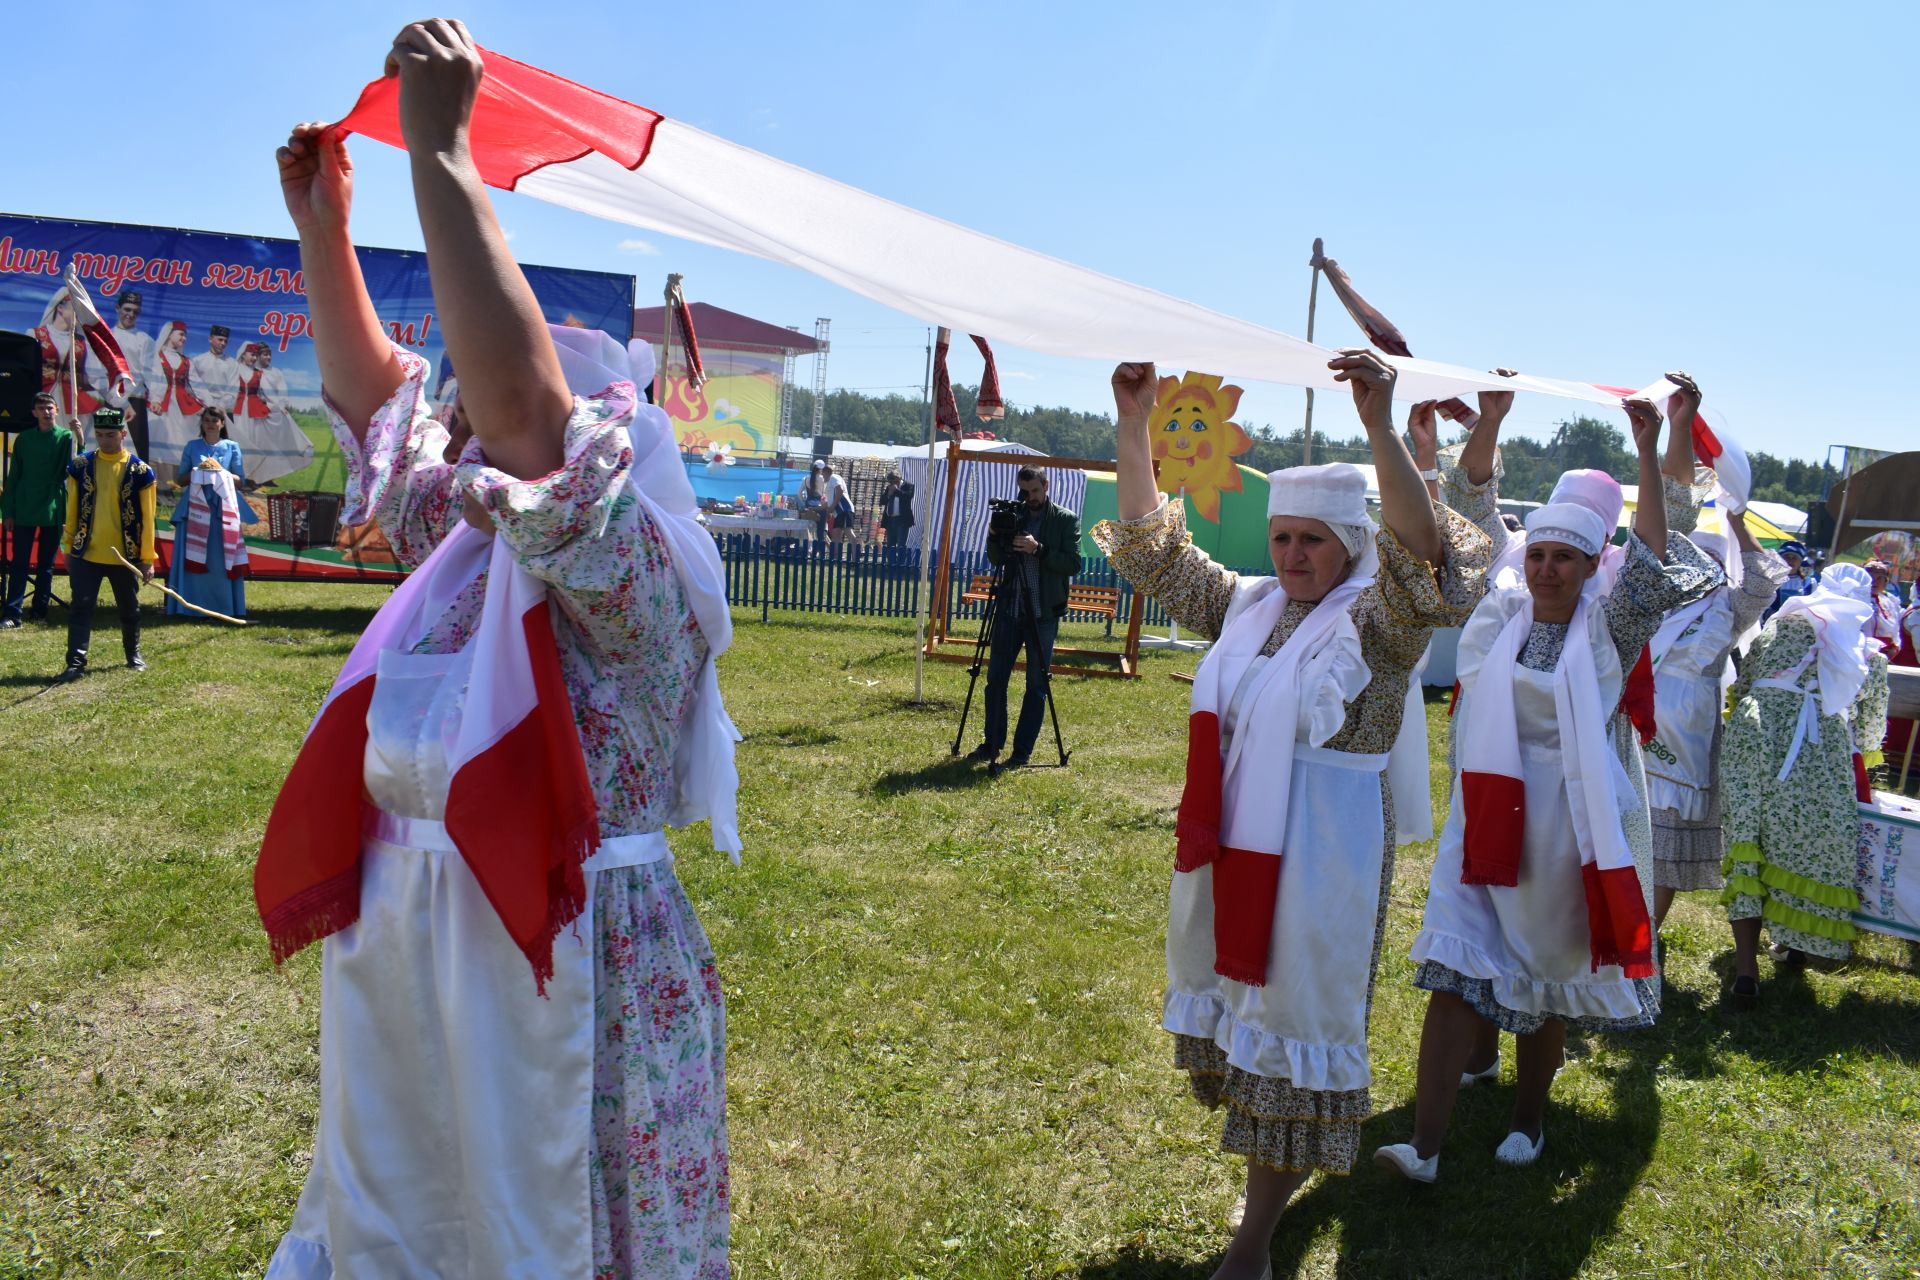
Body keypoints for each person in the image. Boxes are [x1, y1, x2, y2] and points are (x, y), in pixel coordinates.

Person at [257, 22, 738, 1278]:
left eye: (481, 408)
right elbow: (385, 415)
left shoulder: (624, 569)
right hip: (418, 963)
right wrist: (326, 229)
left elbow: (527, 423)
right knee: (413, 1223)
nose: (461, 431)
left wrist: (445, 151)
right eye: (461, 419)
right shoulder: (469, 542)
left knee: (554, 1235)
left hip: (568, 970)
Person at [1094, 353, 1490, 1278]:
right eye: (1283, 539)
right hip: (1240, 843)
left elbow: (1427, 558)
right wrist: (1133, 420)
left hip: (1322, 858)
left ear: (1353, 544)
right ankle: (1264, 1199)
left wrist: (1384, 428)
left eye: (1314, 540)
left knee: (1290, 1031)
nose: (1293, 557)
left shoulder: (1379, 624)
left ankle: (1254, 1243)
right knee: (1247, 1023)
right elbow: (1157, 551)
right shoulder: (1250, 607)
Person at [1377, 397, 1720, 1183]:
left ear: (1595, 565)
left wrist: (1651, 442)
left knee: (1550, 976)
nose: (1545, 569)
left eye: (1564, 558)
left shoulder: (1611, 628)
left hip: (1567, 829)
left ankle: (1528, 1121)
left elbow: (1653, 548)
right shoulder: (1499, 618)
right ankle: (1424, 1148)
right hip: (1487, 816)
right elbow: (1471, 518)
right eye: (1538, 556)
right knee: (1456, 970)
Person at [1643, 407, 1785, 927]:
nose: (1697, 568)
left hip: (1691, 723)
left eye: (1708, 558)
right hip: (1646, 706)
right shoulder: (1655, 596)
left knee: (1669, 833)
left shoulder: (1728, 605)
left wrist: (1738, 523)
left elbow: (1764, 582)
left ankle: (1646, 936)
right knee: (1629, 815)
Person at [1721, 568, 1888, 1000]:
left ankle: (1745, 970)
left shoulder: (1783, 623)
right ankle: (1794, 944)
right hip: (1820, 753)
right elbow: (1869, 734)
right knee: (1806, 844)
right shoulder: (1868, 655)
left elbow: (1744, 680)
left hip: (1756, 734)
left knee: (1750, 840)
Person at [971, 464, 1082, 775]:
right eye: (1025, 491)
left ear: (1045, 486)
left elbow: (1073, 563)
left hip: (1042, 613)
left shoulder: (1064, 519)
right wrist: (994, 535)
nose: (1030, 497)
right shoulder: (1014, 514)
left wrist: (1039, 550)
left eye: (1035, 490)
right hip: (1010, 608)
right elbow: (996, 558)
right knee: (995, 680)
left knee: (1036, 686)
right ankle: (991, 743)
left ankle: (1022, 753)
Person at [56, 407, 157, 680]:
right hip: (87, 553)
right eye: (99, 435)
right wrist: (69, 547)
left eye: (110, 435)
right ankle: (75, 663)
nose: (104, 440)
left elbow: (149, 519)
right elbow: (72, 510)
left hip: (125, 555)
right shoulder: (81, 466)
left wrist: (146, 558)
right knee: (80, 607)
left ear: (123, 433)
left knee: (129, 608)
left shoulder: (141, 471)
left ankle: (132, 654)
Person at [167, 406, 259, 620]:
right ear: (202, 423)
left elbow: (240, 480)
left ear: (222, 424)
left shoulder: (231, 447)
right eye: (207, 420)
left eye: (215, 420)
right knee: (193, 556)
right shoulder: (192, 446)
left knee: (220, 560)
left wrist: (221, 472)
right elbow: (180, 480)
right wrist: (197, 472)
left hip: (222, 510)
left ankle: (224, 606)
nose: (210, 424)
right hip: (195, 509)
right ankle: (188, 607)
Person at [2, 393, 76, 628]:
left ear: (56, 410)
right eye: (41, 408)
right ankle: (13, 613)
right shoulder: (23, 439)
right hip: (24, 506)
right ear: (34, 412)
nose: (46, 412)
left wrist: (80, 436)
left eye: (50, 407)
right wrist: (8, 512)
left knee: (46, 564)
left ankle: (39, 610)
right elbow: (13, 478)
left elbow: (75, 466)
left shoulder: (66, 437)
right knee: (19, 563)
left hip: (52, 507)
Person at [229, 341, 318, 483]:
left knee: (255, 442)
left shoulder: (258, 374)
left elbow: (268, 395)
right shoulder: (235, 369)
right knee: (241, 441)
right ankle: (241, 476)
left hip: (254, 410)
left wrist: (278, 407)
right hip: (239, 410)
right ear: (243, 354)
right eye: (252, 355)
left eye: (255, 355)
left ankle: (254, 477)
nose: (253, 358)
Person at [148, 321, 206, 471]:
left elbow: (197, 384)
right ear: (169, 333)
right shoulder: (156, 356)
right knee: (159, 439)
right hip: (161, 403)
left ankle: (176, 482)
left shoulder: (186, 361)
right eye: (181, 334)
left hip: (181, 404)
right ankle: (159, 482)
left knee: (181, 440)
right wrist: (155, 399)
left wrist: (210, 403)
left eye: (185, 335)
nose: (184, 338)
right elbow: (152, 378)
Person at [103, 290, 154, 457]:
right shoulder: (106, 336)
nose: (130, 314)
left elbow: (147, 374)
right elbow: (98, 373)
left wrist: (125, 400)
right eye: (127, 309)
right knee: (108, 448)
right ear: (118, 308)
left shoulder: (144, 339)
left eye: (135, 311)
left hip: (135, 402)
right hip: (111, 400)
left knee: (137, 453)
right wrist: (117, 399)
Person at [188, 324, 241, 428]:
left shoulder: (232, 363)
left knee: (224, 441)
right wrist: (209, 404)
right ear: (210, 339)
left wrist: (220, 406)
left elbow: (233, 389)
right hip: (202, 408)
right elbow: (193, 386)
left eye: (225, 341)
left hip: (224, 410)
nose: (223, 343)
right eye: (220, 340)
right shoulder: (198, 360)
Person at [1764, 540, 1819, 622]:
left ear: (1800, 561)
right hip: (1772, 624)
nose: (1790, 560)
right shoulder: (1771, 580)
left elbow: (1814, 608)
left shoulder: (1810, 583)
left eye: (1794, 557)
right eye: (1787, 557)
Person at [879, 471, 915, 548]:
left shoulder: (908, 485)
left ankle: (900, 560)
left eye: (893, 480)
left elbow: (908, 497)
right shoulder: (889, 487)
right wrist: (888, 495)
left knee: (901, 545)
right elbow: (882, 501)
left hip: (902, 520)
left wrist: (897, 491)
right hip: (890, 520)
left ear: (898, 478)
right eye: (890, 481)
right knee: (890, 545)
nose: (891, 483)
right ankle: (891, 560)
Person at [821, 459, 853, 544]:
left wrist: (832, 507)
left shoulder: (834, 477)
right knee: (835, 534)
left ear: (826, 472)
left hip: (844, 509)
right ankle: (836, 556)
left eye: (823, 474)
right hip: (838, 513)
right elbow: (829, 501)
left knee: (848, 532)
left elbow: (840, 490)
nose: (822, 476)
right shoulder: (828, 483)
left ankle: (856, 553)